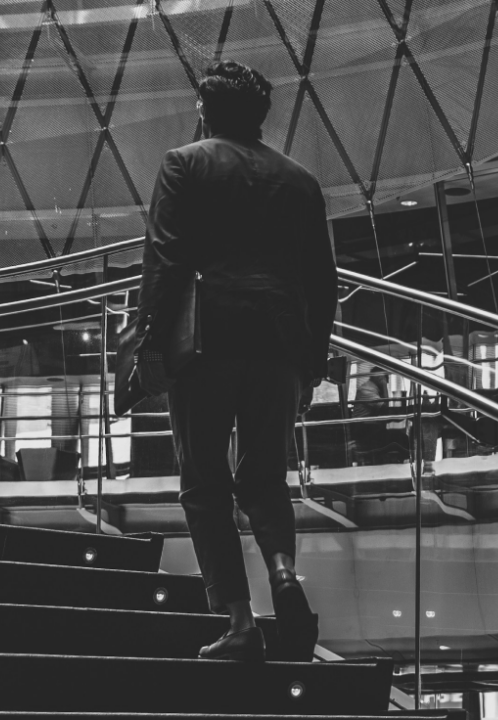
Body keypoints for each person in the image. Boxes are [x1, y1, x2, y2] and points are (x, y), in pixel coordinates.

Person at [134, 61, 337, 663]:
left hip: (207, 343)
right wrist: (313, 360)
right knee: (264, 478)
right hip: (279, 348)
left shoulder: (184, 163)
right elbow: (322, 281)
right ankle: (282, 573)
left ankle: (240, 622)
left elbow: (165, 259)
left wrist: (149, 343)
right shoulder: (300, 181)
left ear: (204, 108)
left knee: (203, 482)